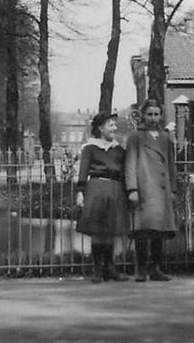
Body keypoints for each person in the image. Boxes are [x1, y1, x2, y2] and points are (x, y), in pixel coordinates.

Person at [124, 97, 177, 282]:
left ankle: (155, 268)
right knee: (142, 230)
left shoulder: (165, 137)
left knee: (158, 231)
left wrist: (173, 190)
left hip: (162, 190)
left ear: (161, 116)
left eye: (156, 114)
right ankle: (140, 268)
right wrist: (132, 189)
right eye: (149, 114)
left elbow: (171, 164)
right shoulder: (135, 137)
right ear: (143, 115)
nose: (153, 118)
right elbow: (130, 164)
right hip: (144, 188)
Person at [75, 111, 129, 282]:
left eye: (115, 124)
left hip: (115, 189)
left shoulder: (118, 149)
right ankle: (98, 269)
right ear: (100, 128)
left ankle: (110, 268)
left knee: (110, 230)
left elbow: (125, 171)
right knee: (98, 230)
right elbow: (83, 171)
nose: (114, 127)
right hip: (97, 189)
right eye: (110, 124)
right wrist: (80, 192)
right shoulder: (90, 148)